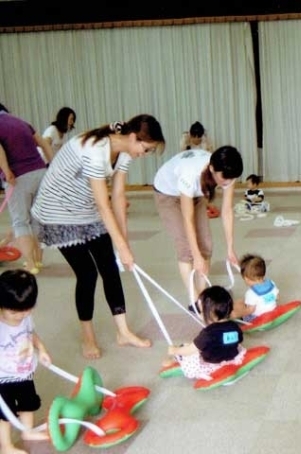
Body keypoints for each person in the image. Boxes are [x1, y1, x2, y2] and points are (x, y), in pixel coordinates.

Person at [31, 114, 164, 359]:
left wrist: (124, 245)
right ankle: (88, 337)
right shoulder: (95, 149)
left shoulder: (123, 152)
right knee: (88, 273)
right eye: (145, 149)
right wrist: (122, 247)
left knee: (110, 266)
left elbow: (119, 198)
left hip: (85, 210)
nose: (143, 154)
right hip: (57, 214)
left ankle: (123, 332)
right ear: (133, 137)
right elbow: (104, 205)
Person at [153, 146, 243, 298]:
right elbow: (188, 220)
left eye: (231, 178)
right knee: (186, 248)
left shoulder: (228, 172)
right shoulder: (190, 173)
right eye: (224, 178)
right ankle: (194, 299)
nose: (227, 182)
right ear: (212, 168)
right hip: (168, 193)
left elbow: (227, 211)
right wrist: (196, 255)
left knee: (206, 245)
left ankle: (203, 296)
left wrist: (230, 248)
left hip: (196, 192)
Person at [0, 270, 52, 454]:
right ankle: (6, 446)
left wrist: (42, 349)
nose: (21, 316)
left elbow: (32, 334)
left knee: (27, 404)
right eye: (14, 312)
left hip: (24, 371)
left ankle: (27, 433)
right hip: (3, 378)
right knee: (4, 416)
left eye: (27, 310)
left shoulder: (26, 316)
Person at [0, 103, 54, 275]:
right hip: (40, 172)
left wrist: (7, 171)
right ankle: (38, 260)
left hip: (18, 176)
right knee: (37, 218)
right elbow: (44, 143)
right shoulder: (21, 122)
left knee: (20, 222)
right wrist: (53, 164)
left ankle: (30, 264)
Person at [162, 286, 246, 380]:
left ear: (210, 314)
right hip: (232, 358)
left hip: (212, 363)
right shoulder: (234, 326)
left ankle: (175, 359)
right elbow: (239, 340)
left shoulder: (208, 333)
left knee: (185, 347)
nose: (200, 314)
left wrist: (175, 350)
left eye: (201, 312)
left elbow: (190, 349)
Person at [234, 254, 279, 322]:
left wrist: (237, 314)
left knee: (238, 304)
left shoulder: (251, 293)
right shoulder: (271, 283)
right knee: (244, 301)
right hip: (272, 310)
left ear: (246, 279)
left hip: (257, 317)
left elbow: (250, 310)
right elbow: (277, 297)